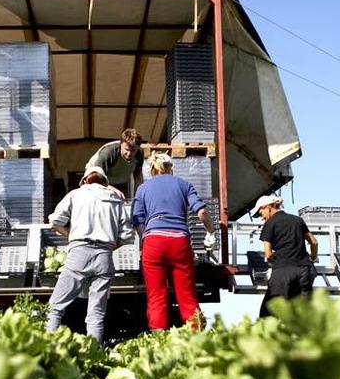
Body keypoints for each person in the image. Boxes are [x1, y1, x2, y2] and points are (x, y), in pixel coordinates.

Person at [46, 166, 135, 343]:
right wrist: (110, 246)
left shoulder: (76, 194)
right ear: (105, 182)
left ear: (85, 180)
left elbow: (55, 221)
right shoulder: (115, 200)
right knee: (96, 314)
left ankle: (47, 350)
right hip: (104, 257)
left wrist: (70, 234)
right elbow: (127, 235)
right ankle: (93, 355)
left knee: (55, 308)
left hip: (79, 253)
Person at [131, 152, 216, 331]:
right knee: (187, 296)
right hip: (179, 242)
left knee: (156, 297)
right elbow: (202, 212)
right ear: (171, 167)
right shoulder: (184, 185)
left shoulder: (143, 189)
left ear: (152, 169)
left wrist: (145, 237)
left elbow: (137, 218)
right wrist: (211, 233)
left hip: (153, 242)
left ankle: (159, 341)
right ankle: (197, 339)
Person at [253, 195, 317, 318]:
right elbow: (313, 242)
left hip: (283, 271)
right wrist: (312, 258)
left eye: (261, 213)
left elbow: (268, 254)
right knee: (304, 313)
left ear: (268, 207)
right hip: (304, 270)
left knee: (269, 312)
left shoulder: (270, 224)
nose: (261, 218)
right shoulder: (297, 220)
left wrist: (274, 263)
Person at [85, 128, 144, 198]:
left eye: (133, 150)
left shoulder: (139, 153)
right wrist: (113, 190)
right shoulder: (108, 153)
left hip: (118, 180)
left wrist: (140, 195)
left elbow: (138, 177)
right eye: (126, 149)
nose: (129, 154)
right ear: (121, 144)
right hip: (95, 178)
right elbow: (96, 180)